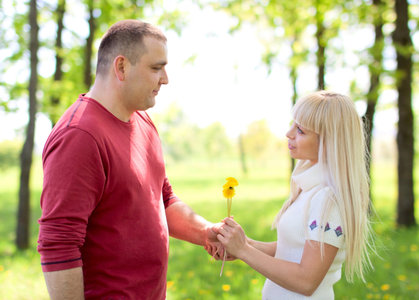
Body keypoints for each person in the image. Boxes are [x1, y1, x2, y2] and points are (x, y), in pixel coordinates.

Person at [37, 19, 222, 299]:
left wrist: (206, 232)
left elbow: (162, 198)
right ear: (121, 67)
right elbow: (58, 244)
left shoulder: (143, 122)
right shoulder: (80, 136)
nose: (165, 79)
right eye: (156, 67)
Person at [217, 91, 375, 299]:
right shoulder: (310, 188)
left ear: (328, 141)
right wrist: (244, 245)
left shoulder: (328, 199)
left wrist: (245, 251)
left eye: (300, 130)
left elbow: (306, 281)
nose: (289, 133)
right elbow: (293, 250)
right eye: (293, 124)